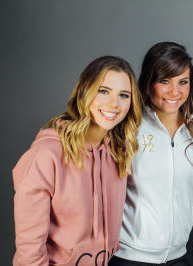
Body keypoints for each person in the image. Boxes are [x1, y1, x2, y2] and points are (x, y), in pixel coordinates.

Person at [13, 56, 142, 265]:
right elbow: (29, 249)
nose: (114, 104)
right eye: (103, 91)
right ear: (85, 91)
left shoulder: (119, 152)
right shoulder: (47, 154)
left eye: (124, 95)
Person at [110, 42, 193, 266]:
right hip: (130, 256)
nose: (175, 92)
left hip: (178, 256)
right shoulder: (128, 126)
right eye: (164, 81)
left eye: (183, 82)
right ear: (149, 82)